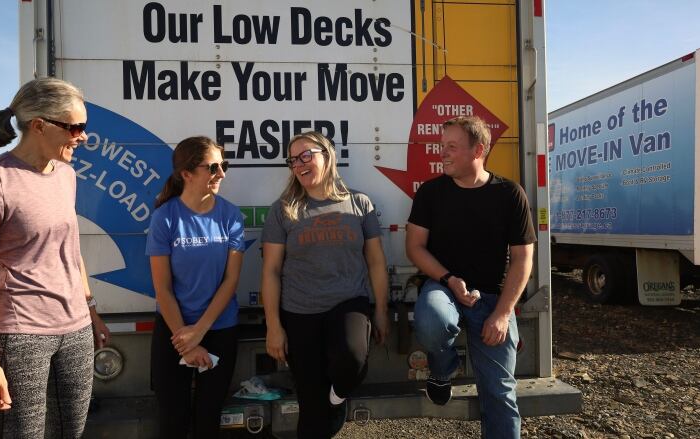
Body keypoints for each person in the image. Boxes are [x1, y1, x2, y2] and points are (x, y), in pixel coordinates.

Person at [0, 77, 110, 438]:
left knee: (71, 433)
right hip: (21, 333)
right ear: (39, 126)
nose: (83, 136)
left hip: (75, 328)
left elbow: (70, 252)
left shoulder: (67, 175)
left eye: (84, 127)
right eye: (75, 127)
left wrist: (91, 310)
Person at [406, 115, 536, 438]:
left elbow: (523, 259)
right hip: (444, 288)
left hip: (492, 300)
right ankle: (443, 369)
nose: (442, 154)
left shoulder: (510, 194)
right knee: (433, 319)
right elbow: (415, 248)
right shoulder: (431, 193)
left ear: (478, 150)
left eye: (452, 147)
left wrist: (503, 314)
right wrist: (449, 279)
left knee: (501, 395)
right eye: (441, 146)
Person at [261, 131, 390, 439]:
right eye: (294, 159)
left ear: (328, 156)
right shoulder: (283, 210)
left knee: (353, 360)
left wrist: (382, 311)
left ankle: (338, 397)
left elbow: (375, 262)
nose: (299, 164)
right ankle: (326, 406)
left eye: (307, 155)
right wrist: (274, 326)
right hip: (299, 311)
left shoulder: (359, 204)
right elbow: (271, 271)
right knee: (311, 407)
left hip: (348, 302)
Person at [146, 136, 245, 438]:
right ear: (186, 173)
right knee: (172, 420)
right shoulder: (165, 217)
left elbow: (230, 281)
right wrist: (186, 340)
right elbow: (162, 289)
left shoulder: (231, 215)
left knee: (208, 419)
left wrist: (200, 332)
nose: (222, 174)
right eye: (213, 167)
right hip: (174, 330)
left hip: (219, 328)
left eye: (223, 166)